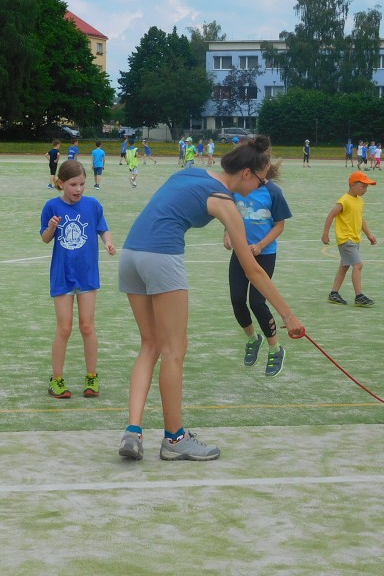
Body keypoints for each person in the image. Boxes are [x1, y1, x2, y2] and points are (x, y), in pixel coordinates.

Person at [117, 136, 305, 462]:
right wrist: (288, 316)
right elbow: (253, 271)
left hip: (130, 256)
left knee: (150, 344)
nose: (261, 187)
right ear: (246, 173)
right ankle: (175, 439)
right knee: (174, 349)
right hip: (161, 257)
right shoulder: (225, 202)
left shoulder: (190, 173)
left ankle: (133, 432)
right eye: (261, 180)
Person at [40, 161, 116, 399]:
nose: (79, 189)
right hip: (62, 275)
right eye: (73, 184)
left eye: (82, 183)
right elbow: (44, 238)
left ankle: (92, 377)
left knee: (87, 326)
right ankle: (57, 380)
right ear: (60, 183)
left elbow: (103, 229)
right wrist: (52, 227)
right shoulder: (51, 206)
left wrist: (108, 242)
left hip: (87, 275)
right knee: (64, 328)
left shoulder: (93, 205)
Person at [224, 169, 293, 377]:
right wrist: (227, 233)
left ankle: (275, 349)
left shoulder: (273, 192)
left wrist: (261, 245)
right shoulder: (238, 189)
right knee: (237, 299)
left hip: (264, 254)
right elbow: (230, 215)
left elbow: (279, 226)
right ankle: (253, 339)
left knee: (256, 302)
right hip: (241, 252)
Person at [322, 171, 378, 307]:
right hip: (346, 239)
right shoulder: (344, 200)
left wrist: (369, 234)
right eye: (363, 186)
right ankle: (359, 296)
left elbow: (361, 220)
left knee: (344, 266)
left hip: (355, 239)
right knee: (358, 265)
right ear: (353, 185)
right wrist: (325, 233)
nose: (366, 189)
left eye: (367, 187)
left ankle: (334, 294)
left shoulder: (360, 201)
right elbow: (331, 215)